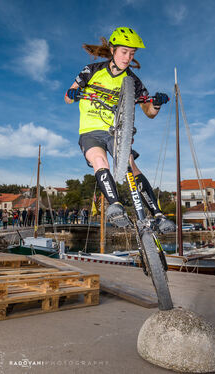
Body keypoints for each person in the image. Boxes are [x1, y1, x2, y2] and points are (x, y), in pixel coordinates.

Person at [65, 27, 175, 233]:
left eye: (132, 53)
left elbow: (149, 112)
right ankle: (115, 206)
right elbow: (68, 97)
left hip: (116, 132)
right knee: (99, 161)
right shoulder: (92, 70)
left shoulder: (133, 81)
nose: (128, 57)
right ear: (113, 50)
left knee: (130, 165)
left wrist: (157, 104)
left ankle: (158, 215)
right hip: (90, 130)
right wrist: (73, 92)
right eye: (124, 52)